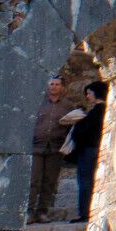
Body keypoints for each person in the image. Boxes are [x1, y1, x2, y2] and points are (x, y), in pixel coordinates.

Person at [63, 80, 107, 221]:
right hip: (97, 149)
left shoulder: (95, 113)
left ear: (96, 94)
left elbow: (83, 132)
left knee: (85, 181)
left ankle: (85, 213)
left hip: (88, 150)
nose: (87, 96)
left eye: (89, 93)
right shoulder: (105, 110)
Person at [28, 77, 70, 221]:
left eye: (57, 84)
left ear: (62, 87)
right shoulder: (38, 103)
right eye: (51, 84)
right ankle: (28, 211)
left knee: (49, 181)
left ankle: (42, 212)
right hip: (36, 147)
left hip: (55, 148)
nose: (54, 87)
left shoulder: (67, 106)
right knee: (33, 180)